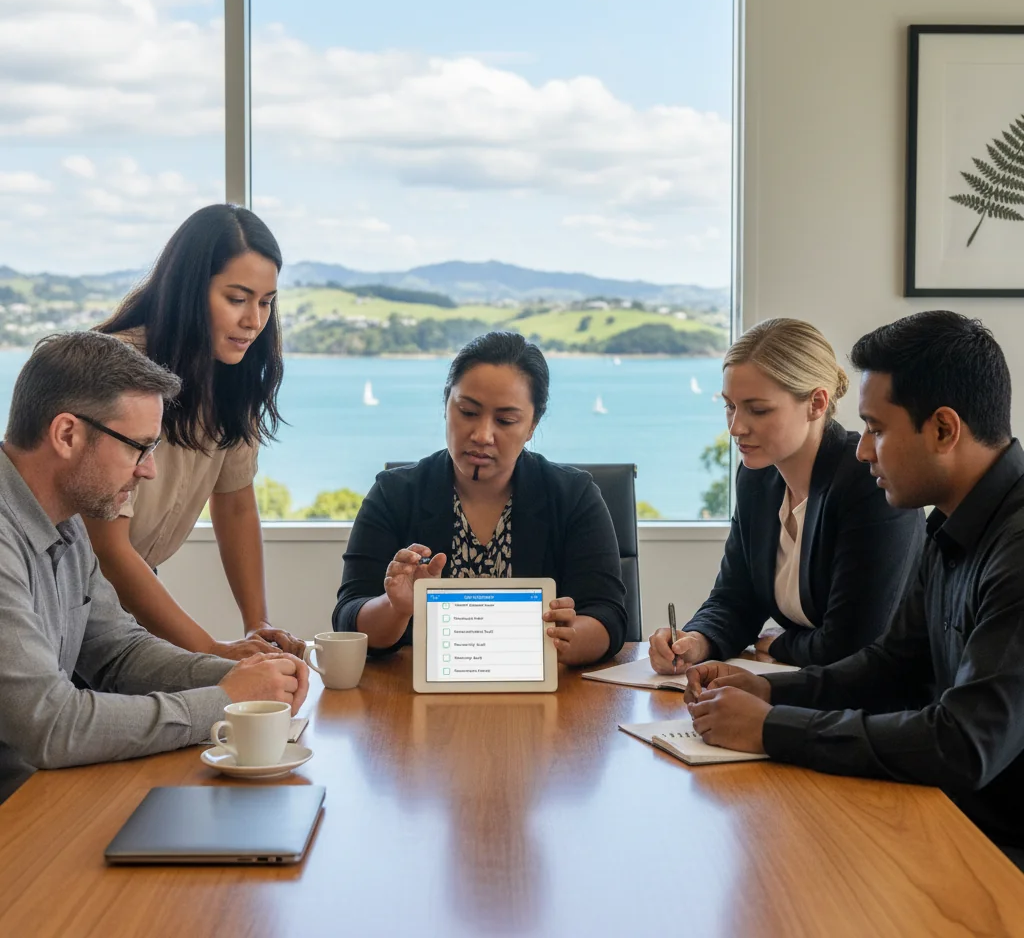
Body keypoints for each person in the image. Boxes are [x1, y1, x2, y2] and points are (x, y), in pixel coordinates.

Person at [683, 311, 1024, 866]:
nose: (863, 450)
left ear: (943, 430)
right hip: (949, 816)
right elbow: (892, 665)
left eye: (877, 429)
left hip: (995, 846)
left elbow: (965, 744)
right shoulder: (951, 523)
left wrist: (772, 728)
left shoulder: (1015, 548)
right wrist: (768, 692)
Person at [0, 332, 308, 802]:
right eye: (137, 447)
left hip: (39, 796)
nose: (149, 470)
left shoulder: (67, 521)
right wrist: (226, 700)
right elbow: (51, 725)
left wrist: (246, 676)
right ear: (67, 435)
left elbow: (119, 652)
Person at [86, 205, 303, 659]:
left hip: (131, 586)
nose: (254, 320)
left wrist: (257, 624)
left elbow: (236, 503)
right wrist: (211, 650)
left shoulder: (233, 375)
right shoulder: (116, 371)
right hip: (67, 588)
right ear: (189, 290)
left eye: (266, 302)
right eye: (237, 298)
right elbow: (107, 549)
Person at [333, 331, 627, 666]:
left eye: (505, 420)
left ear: (532, 425)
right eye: (468, 412)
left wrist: (568, 638)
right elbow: (348, 618)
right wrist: (396, 607)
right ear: (446, 405)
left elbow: (609, 616)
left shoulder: (574, 496)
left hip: (543, 689)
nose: (482, 435)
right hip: (415, 690)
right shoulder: (394, 493)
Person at [649, 318, 924, 673]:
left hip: (882, 695)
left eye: (758, 410)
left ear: (816, 403)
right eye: (730, 406)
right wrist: (696, 641)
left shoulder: (867, 481)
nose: (735, 427)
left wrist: (780, 643)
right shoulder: (756, 478)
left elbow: (854, 643)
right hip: (807, 687)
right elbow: (735, 598)